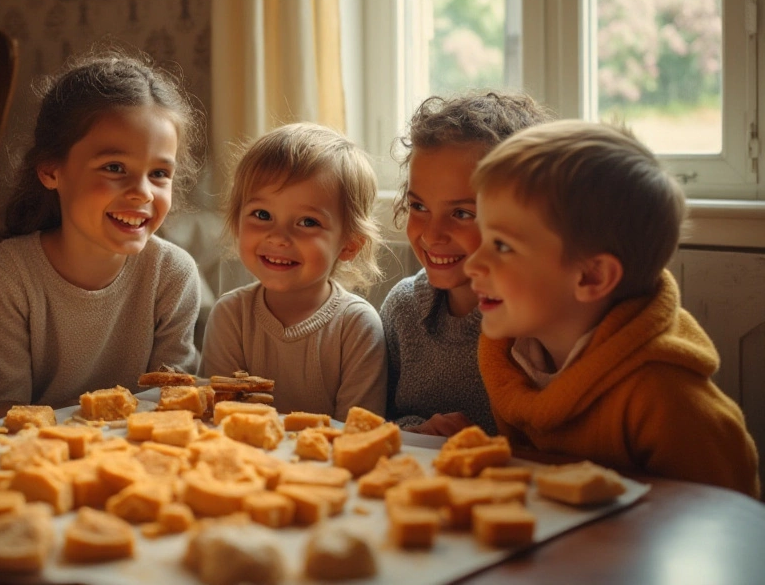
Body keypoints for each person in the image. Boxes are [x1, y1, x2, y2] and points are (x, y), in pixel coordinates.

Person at [465, 121, 760, 497]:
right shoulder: (514, 358)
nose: (473, 263)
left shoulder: (667, 400)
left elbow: (726, 522)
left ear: (592, 277)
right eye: (484, 238)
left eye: (502, 246)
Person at [0, 49, 203, 407]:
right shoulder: (9, 274)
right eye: (114, 167)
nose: (142, 193)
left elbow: (173, 407)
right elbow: (5, 416)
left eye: (159, 174)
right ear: (52, 171)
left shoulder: (173, 275)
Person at [380, 92, 552, 436]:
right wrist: (416, 432)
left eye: (461, 213)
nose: (432, 234)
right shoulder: (403, 310)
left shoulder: (540, 322)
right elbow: (378, 419)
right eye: (418, 207)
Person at [201, 123, 387, 418]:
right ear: (237, 222)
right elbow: (216, 418)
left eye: (307, 222)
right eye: (262, 215)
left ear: (349, 245)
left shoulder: (357, 327)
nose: (278, 236)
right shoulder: (230, 317)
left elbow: (358, 434)